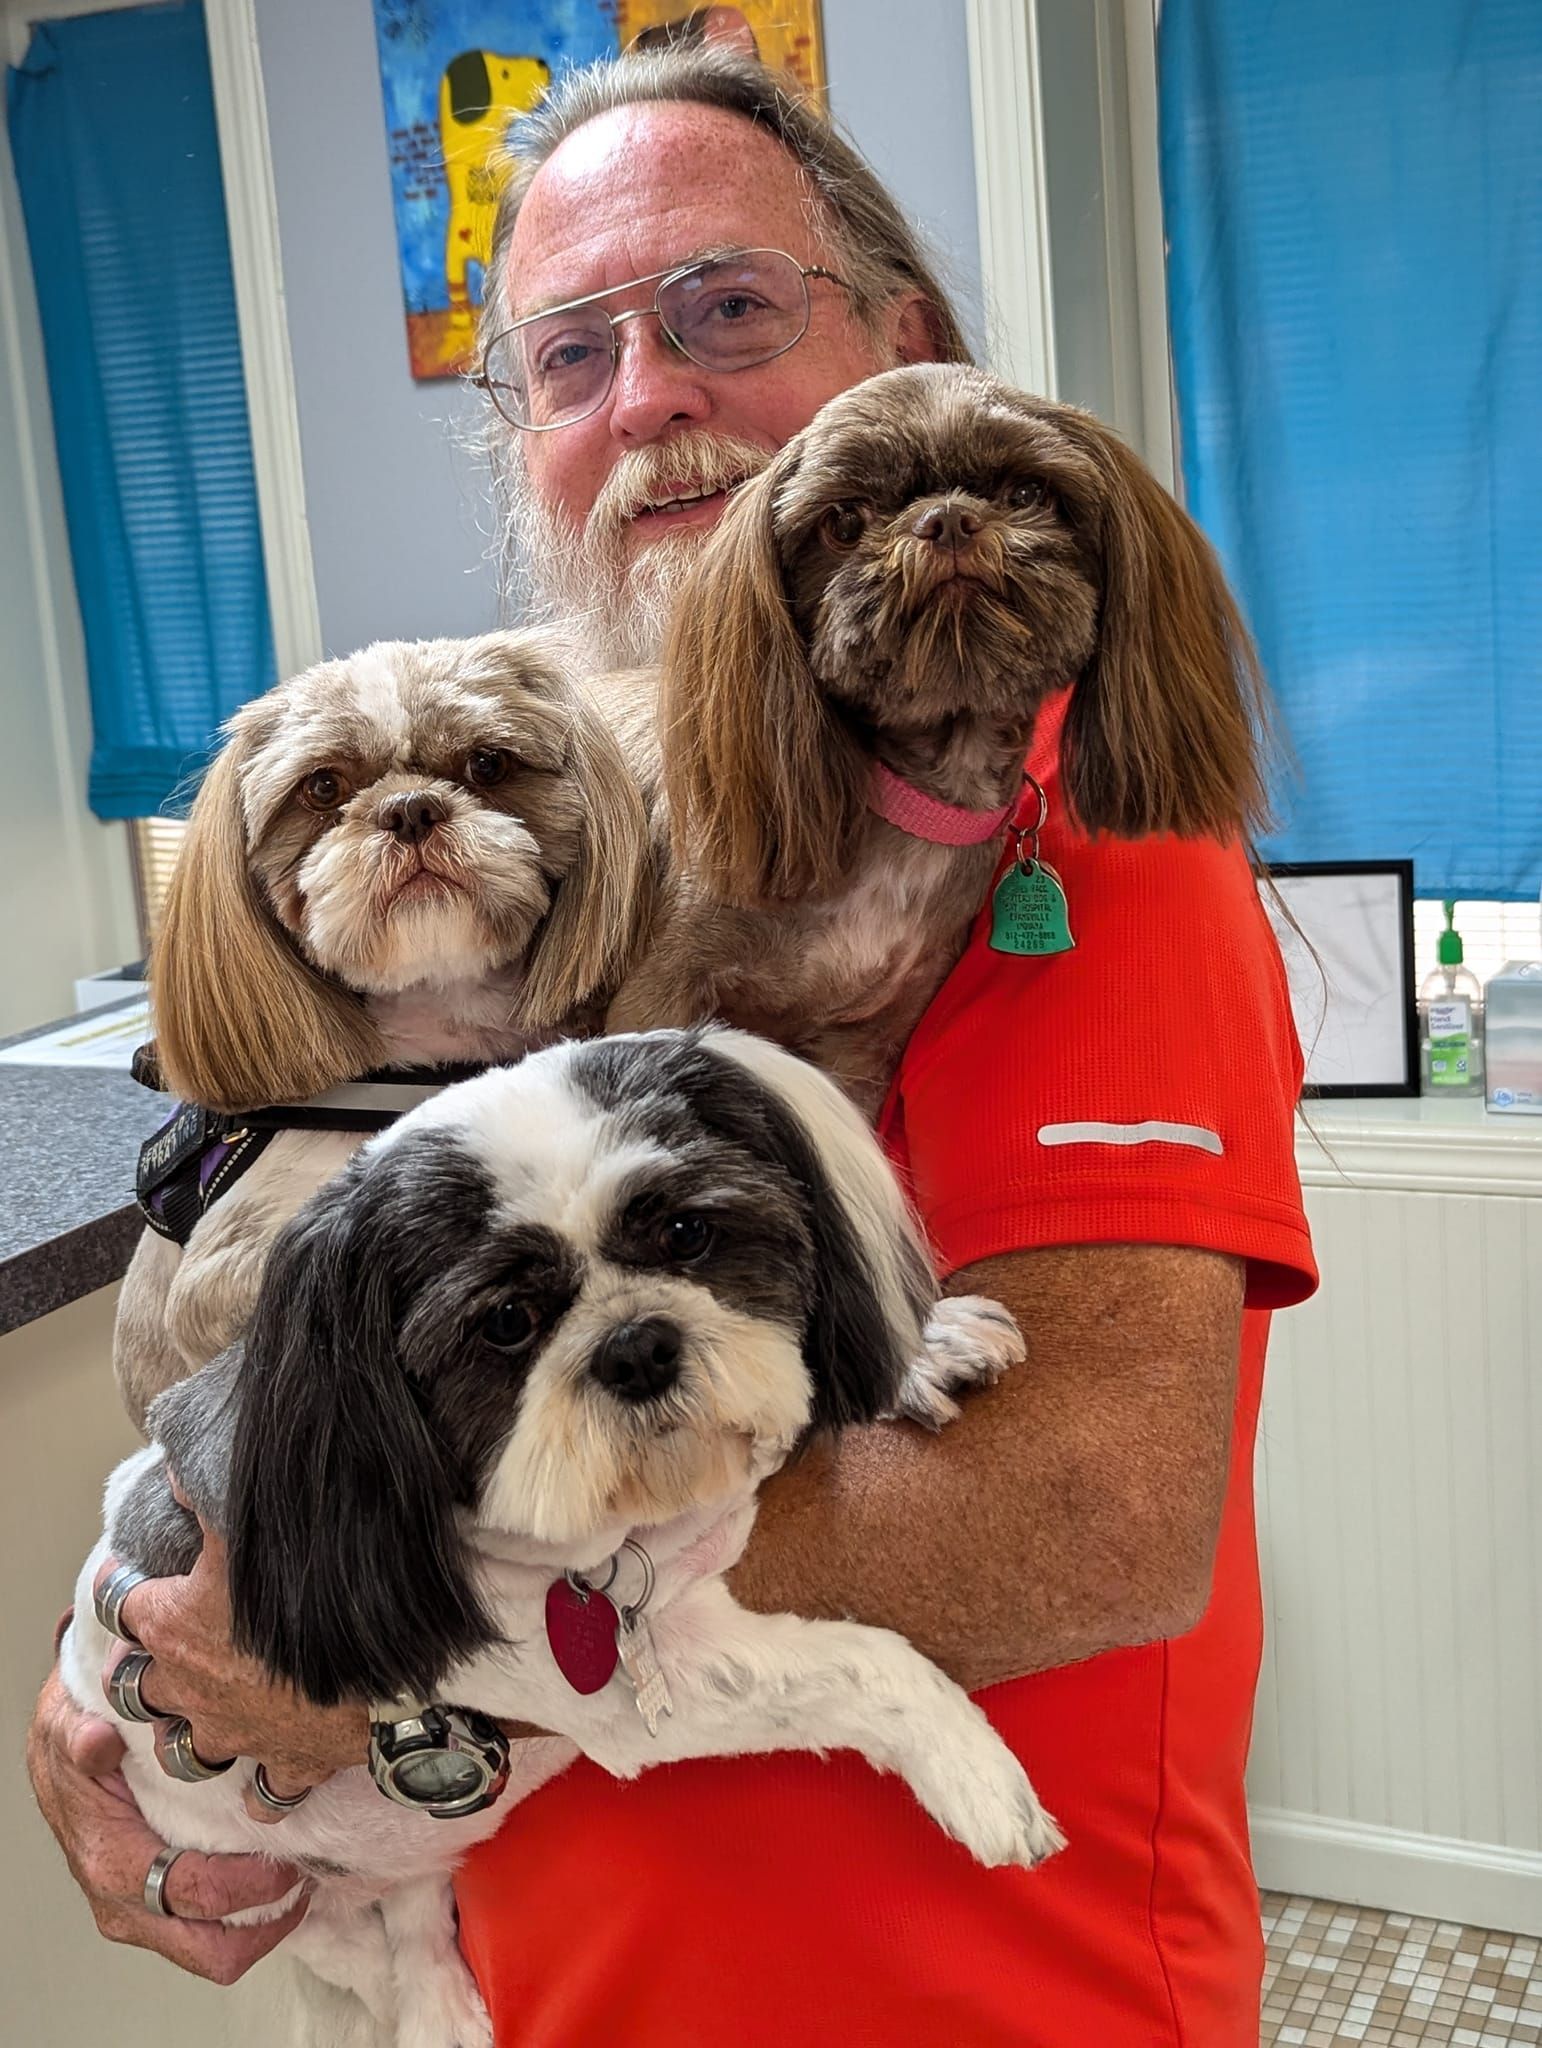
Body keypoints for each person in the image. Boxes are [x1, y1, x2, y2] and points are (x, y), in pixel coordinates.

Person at [28, 44, 1317, 2046]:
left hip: (954, 1991)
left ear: (907, 345)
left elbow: (1092, 1511)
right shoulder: (584, 848)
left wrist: (351, 1609)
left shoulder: (1068, 826)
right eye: (569, 359)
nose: (652, 402)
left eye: (724, 309)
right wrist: (126, 1634)